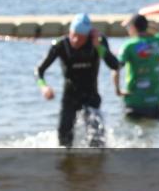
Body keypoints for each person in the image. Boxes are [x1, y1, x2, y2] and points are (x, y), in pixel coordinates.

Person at [35, 13, 120, 147]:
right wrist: (43, 86)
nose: (75, 40)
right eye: (73, 35)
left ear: (88, 36)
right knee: (63, 141)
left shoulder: (98, 42)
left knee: (97, 141)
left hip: (91, 95)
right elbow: (39, 71)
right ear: (69, 31)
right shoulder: (60, 44)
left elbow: (115, 65)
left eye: (80, 38)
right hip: (70, 96)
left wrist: (98, 46)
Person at [112, 14, 159, 119]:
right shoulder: (157, 42)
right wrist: (146, 24)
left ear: (133, 28)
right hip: (155, 100)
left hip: (135, 100)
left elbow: (116, 69)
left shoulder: (129, 46)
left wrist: (118, 90)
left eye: (128, 27)